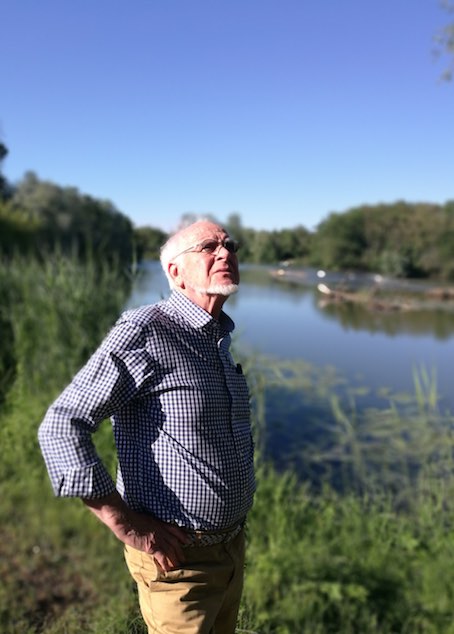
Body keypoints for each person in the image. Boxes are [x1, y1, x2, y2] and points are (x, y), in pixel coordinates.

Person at [38, 219, 256, 634]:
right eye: (209, 247)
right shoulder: (146, 331)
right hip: (177, 565)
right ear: (175, 271)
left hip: (230, 551)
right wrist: (126, 523)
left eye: (230, 245)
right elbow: (62, 426)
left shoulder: (214, 337)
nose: (226, 253)